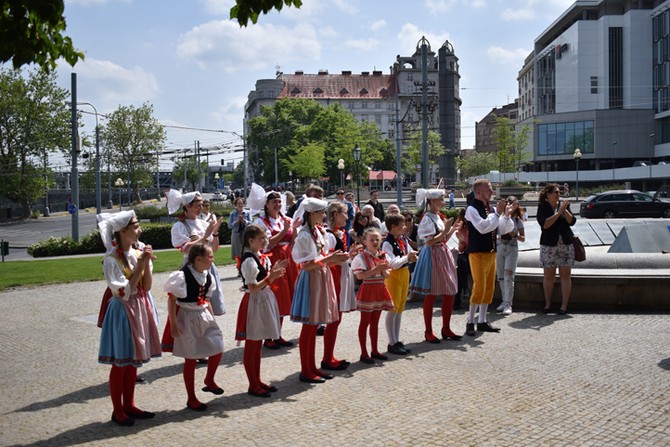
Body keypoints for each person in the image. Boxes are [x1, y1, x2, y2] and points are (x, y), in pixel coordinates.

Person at [97, 211, 161, 426]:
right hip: (123, 310)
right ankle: (118, 410)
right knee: (121, 362)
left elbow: (148, 286)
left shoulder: (137, 252)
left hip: (139, 305)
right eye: (135, 226)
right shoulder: (111, 260)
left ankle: (130, 404)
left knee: (133, 361)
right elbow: (124, 291)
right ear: (122, 231)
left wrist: (145, 263)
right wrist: (142, 265)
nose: (139, 229)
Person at [290, 198, 350, 383]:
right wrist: (330, 258)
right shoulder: (305, 235)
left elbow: (320, 257)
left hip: (319, 277)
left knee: (313, 324)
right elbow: (306, 265)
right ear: (313, 214)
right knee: (309, 326)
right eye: (321, 213)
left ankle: (312, 366)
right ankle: (305, 369)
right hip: (311, 280)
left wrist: (336, 258)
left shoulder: (315, 231)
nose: (324, 216)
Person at [163, 243, 225, 412]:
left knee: (218, 346)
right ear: (198, 259)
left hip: (203, 314)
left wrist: (212, 319)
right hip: (187, 317)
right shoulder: (182, 276)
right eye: (210, 256)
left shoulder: (208, 276)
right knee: (190, 358)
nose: (212, 259)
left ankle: (209, 380)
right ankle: (191, 398)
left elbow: (208, 299)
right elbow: (171, 299)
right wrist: (173, 325)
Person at [235, 224, 287, 397]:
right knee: (252, 345)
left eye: (265, 238)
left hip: (262, 300)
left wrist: (273, 272)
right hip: (254, 302)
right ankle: (252, 383)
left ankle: (257, 380)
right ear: (251, 241)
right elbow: (253, 287)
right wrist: (270, 277)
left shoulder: (257, 256)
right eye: (261, 238)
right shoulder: (249, 261)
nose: (265, 241)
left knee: (257, 346)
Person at [409, 189, 462, 343]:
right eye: (440, 198)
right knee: (431, 293)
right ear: (431, 201)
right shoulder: (427, 219)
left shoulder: (437, 217)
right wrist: (445, 230)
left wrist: (451, 230)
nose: (443, 201)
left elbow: (442, 239)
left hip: (442, 253)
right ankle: (429, 331)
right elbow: (429, 241)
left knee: (450, 291)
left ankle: (446, 327)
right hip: (432, 255)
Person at [464, 179, 515, 336]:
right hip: (477, 252)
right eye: (489, 190)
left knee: (488, 288)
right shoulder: (471, 209)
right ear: (478, 192)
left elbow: (505, 229)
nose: (492, 193)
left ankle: (482, 320)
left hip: (490, 251)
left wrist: (506, 216)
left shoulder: (490, 208)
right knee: (479, 287)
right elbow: (483, 228)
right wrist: (498, 213)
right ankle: (470, 321)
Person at [253, 190, 301, 349]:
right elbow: (267, 243)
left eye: (279, 202)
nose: (277, 205)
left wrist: (293, 229)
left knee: (284, 297)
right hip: (273, 260)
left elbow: (293, 240)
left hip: (288, 259)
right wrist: (284, 230)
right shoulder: (261, 222)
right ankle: (268, 336)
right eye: (274, 202)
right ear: (266, 205)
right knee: (274, 296)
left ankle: (277, 333)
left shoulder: (286, 219)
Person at [321, 201, 361, 370]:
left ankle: (329, 355)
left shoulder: (339, 233)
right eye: (344, 213)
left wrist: (349, 255)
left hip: (340, 274)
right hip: (334, 276)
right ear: (336, 214)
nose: (347, 216)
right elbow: (326, 260)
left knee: (336, 319)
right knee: (334, 318)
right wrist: (345, 256)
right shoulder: (329, 235)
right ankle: (327, 358)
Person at [352, 227, 394, 363]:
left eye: (377, 239)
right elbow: (359, 276)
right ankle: (364, 353)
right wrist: (376, 269)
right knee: (365, 322)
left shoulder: (382, 255)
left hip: (379, 288)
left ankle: (375, 350)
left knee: (375, 322)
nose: (375, 242)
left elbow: (387, 275)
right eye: (372, 240)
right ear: (365, 242)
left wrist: (384, 269)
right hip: (368, 289)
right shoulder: (361, 257)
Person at [537, 183, 576, 314]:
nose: (558, 195)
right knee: (549, 276)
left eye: (559, 192)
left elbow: (572, 221)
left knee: (565, 275)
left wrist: (564, 210)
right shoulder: (542, 207)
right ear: (548, 194)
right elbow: (545, 225)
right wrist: (558, 212)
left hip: (565, 244)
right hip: (549, 244)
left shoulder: (565, 206)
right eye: (556, 192)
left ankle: (564, 306)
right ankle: (548, 304)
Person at [382, 213, 418, 355]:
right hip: (394, 277)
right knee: (393, 309)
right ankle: (392, 342)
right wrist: (406, 258)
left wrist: (413, 257)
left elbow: (408, 254)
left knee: (400, 309)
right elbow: (392, 263)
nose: (405, 227)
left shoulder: (402, 239)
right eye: (402, 225)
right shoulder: (387, 243)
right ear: (393, 227)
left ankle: (396, 340)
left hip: (404, 274)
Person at [496, 196, 526, 316]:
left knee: (508, 275)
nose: (510, 205)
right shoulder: (500, 217)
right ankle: (504, 301)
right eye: (508, 203)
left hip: (512, 247)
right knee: (500, 276)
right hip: (500, 246)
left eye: (513, 203)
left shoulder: (518, 221)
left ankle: (508, 303)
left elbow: (523, 239)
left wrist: (514, 234)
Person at [454, 208, 470, 310]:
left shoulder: (475, 228)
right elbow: (461, 249)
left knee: (461, 264)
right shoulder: (461, 230)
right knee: (460, 262)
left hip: (474, 255)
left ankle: (464, 290)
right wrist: (461, 241)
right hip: (465, 256)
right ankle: (464, 288)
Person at [228, 197, 250, 261]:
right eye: (238, 204)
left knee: (246, 251)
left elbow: (251, 224)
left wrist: (244, 221)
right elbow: (229, 226)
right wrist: (237, 221)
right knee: (237, 254)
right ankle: (239, 267)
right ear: (235, 205)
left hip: (245, 234)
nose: (240, 205)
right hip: (236, 234)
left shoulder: (247, 213)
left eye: (241, 203)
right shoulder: (232, 214)